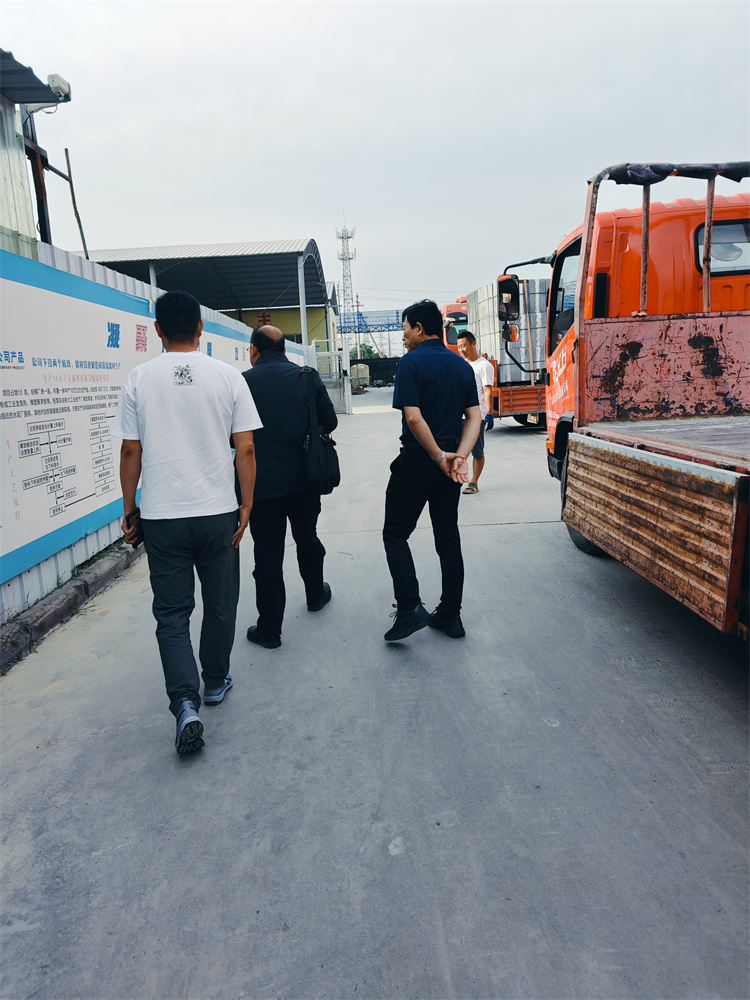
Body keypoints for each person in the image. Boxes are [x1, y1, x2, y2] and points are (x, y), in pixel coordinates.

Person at [113, 290, 262, 755]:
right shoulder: (228, 376)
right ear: (201, 328)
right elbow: (245, 448)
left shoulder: (139, 379)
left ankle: (184, 703)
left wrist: (130, 510)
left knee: (172, 613)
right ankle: (214, 681)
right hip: (217, 511)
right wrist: (246, 504)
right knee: (221, 602)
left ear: (157, 330)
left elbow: (130, 451)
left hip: (163, 517)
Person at [382, 299, 481, 642]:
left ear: (420, 329)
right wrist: (460, 457)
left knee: (395, 534)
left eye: (405, 329)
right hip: (450, 462)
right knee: (447, 535)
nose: (403, 336)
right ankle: (451, 615)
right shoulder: (461, 366)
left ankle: (409, 608)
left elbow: (413, 418)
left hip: (418, 459)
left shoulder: (410, 363)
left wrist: (439, 457)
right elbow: (474, 417)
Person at [241, 325, 338, 649]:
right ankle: (315, 595)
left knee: (267, 553)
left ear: (253, 350)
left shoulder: (242, 382)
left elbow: (231, 436)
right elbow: (330, 421)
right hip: (305, 480)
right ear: (284, 350)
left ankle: (269, 630)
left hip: (262, 486)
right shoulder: (307, 377)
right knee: (307, 537)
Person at [456, 329, 495, 494]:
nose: (461, 350)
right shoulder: (460, 364)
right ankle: (455, 481)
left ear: (473, 344)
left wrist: (489, 414)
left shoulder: (484, 366)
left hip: (476, 417)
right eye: (459, 347)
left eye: (464, 346)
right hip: (458, 415)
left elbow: (487, 391)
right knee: (456, 450)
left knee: (477, 451)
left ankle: (473, 482)